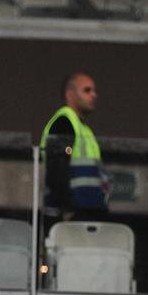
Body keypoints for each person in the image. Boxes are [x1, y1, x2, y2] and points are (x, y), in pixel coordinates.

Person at [40, 72, 109, 226]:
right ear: (70, 95)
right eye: (87, 90)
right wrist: (66, 207)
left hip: (86, 210)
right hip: (71, 212)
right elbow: (60, 160)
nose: (94, 95)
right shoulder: (64, 121)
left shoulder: (83, 128)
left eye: (94, 91)